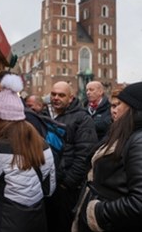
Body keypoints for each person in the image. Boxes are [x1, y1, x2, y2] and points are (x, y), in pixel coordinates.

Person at [0, 74, 56, 232]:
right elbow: (49, 188)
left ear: (1, 118)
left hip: (7, 218)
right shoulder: (43, 144)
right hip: (36, 216)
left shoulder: (1, 148)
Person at [72, 82, 142, 231]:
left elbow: (138, 202)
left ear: (132, 108)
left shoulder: (138, 141)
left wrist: (98, 212)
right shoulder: (121, 132)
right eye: (113, 105)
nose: (115, 110)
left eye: (120, 104)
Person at [45, 81, 98, 232]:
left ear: (71, 98)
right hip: (47, 184)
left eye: (61, 95)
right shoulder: (46, 114)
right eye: (53, 94)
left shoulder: (82, 119)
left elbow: (85, 154)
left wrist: (67, 183)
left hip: (66, 188)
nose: (56, 98)